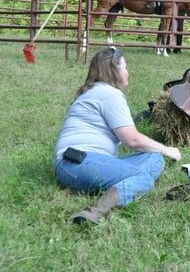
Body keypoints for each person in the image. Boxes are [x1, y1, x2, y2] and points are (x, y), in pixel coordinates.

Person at [54, 48, 182, 225]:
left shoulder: (96, 91)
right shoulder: (109, 94)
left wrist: (161, 151)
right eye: (125, 67)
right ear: (113, 70)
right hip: (79, 163)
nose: (128, 72)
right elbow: (133, 140)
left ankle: (125, 185)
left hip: (77, 163)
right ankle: (96, 212)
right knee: (144, 178)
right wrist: (168, 149)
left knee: (154, 157)